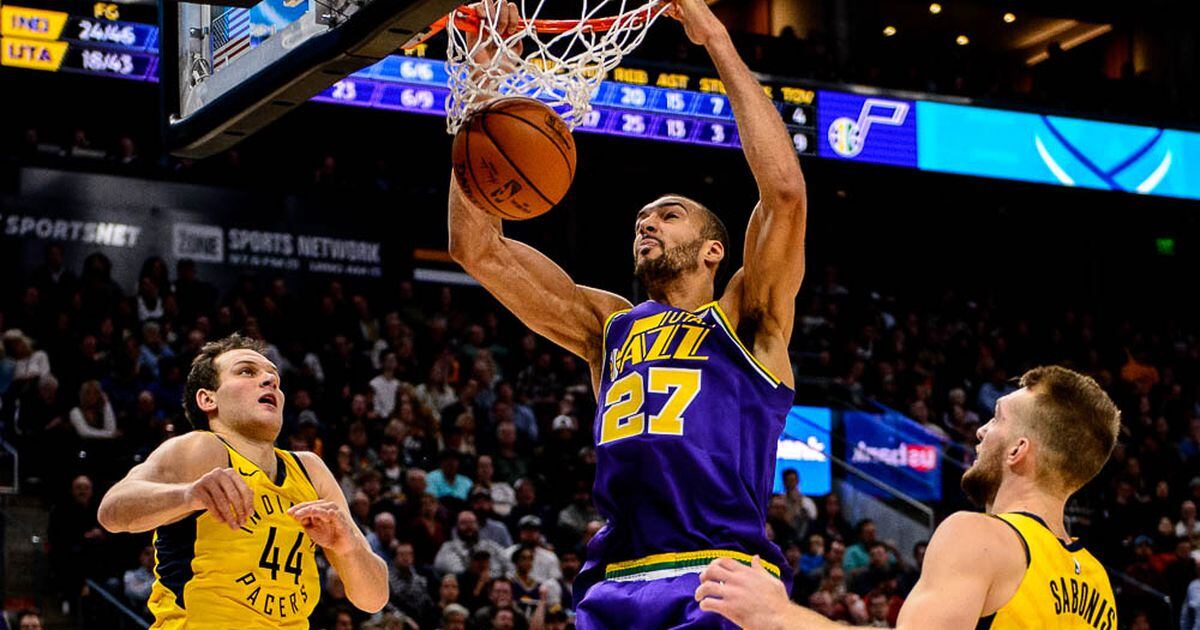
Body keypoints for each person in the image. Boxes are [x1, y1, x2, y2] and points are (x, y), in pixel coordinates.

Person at [448, 0, 808, 624]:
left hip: (719, 576)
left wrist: (716, 38)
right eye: (643, 217)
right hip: (614, 581)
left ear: (713, 250)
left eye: (670, 215)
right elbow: (477, 248)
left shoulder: (749, 318)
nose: (647, 221)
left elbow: (784, 194)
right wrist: (488, 79)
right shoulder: (610, 327)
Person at [694, 366, 1122, 629]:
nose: (979, 431)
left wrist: (778, 616)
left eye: (996, 419)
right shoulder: (1099, 585)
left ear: (1018, 450)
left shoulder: (980, 536)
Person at [97, 334, 387, 627]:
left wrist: (348, 547)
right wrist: (188, 495)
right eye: (247, 371)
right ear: (208, 398)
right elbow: (111, 511)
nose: (269, 381)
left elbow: (374, 597)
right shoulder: (202, 449)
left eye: (274, 377)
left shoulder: (310, 469)